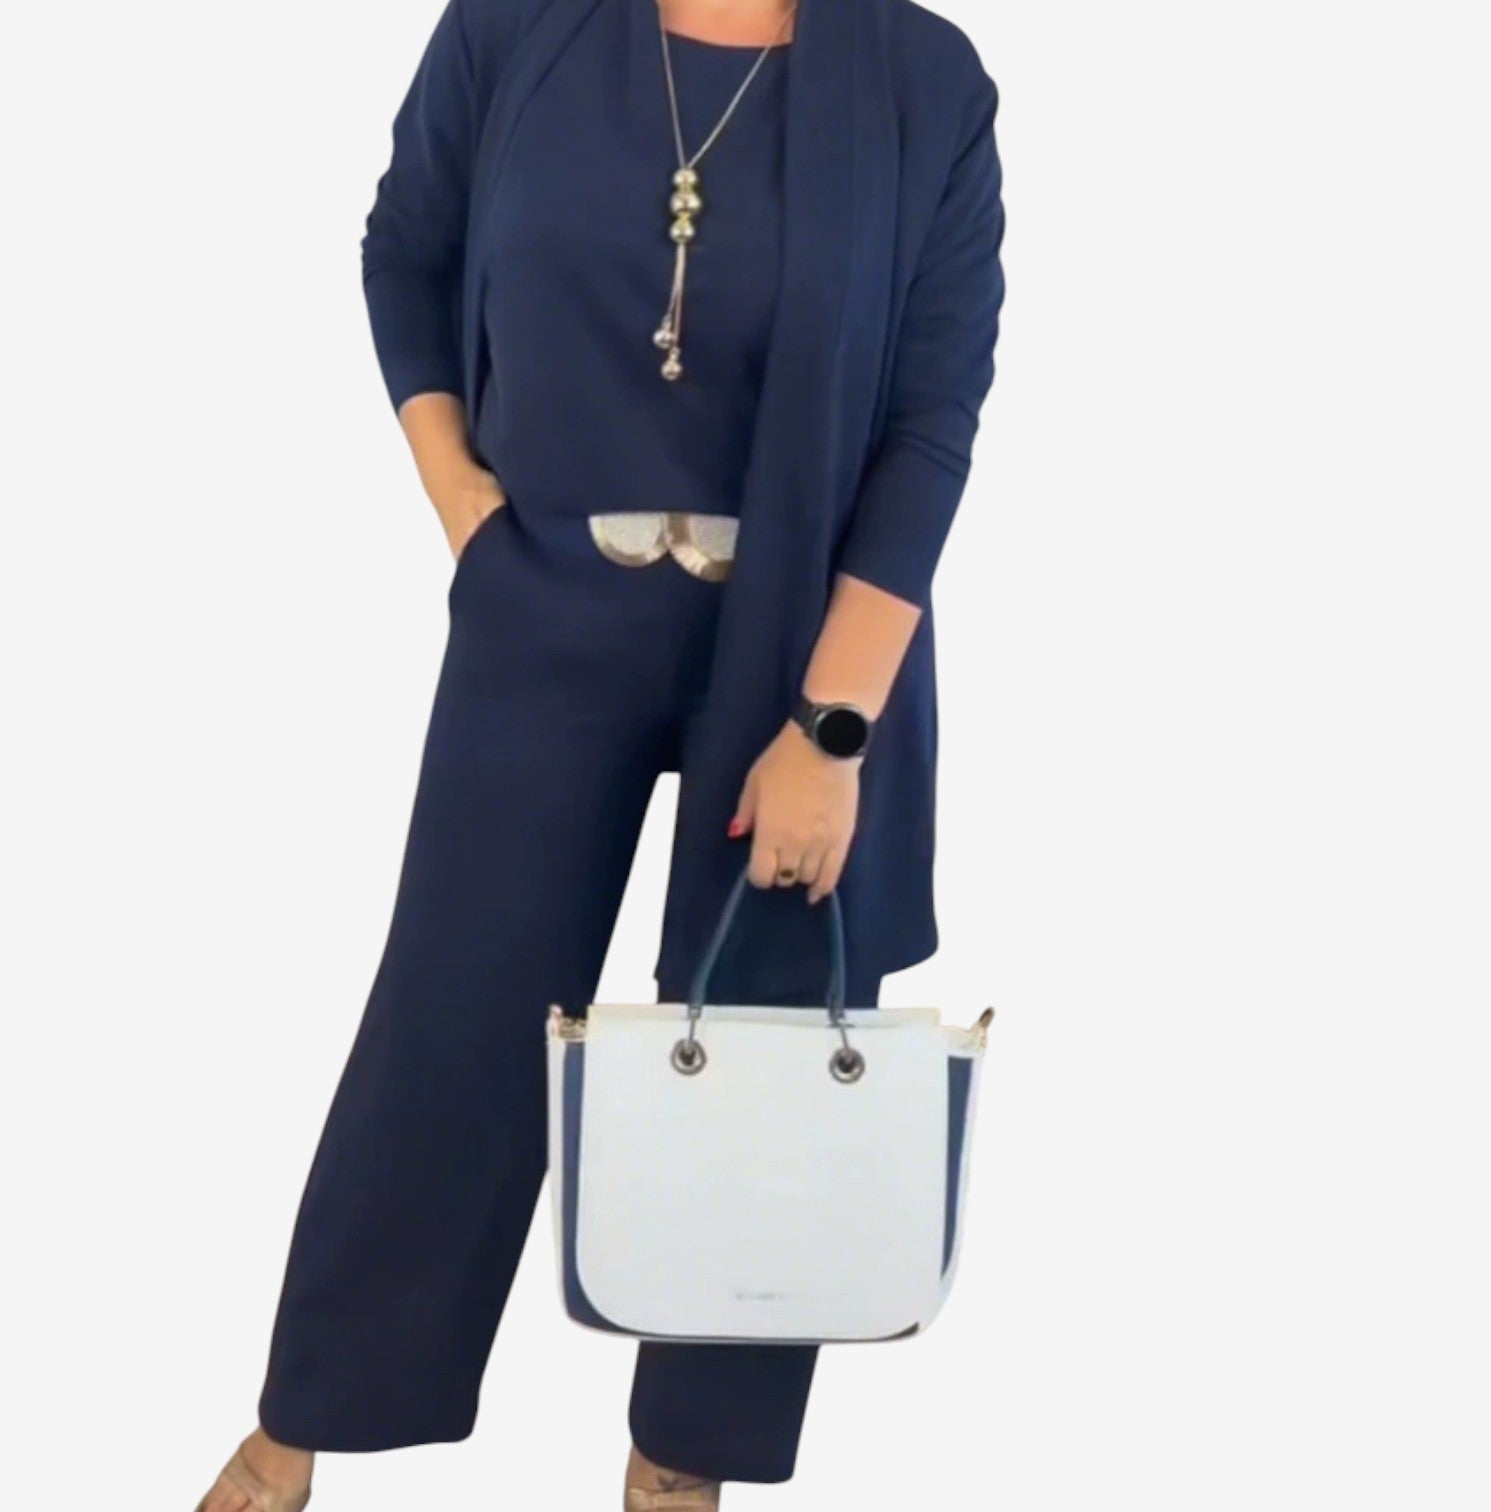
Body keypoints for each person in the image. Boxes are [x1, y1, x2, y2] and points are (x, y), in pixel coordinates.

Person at [195, 0, 1003, 1506]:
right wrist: (461, 504)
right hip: (547, 600)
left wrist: (834, 727)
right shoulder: (517, 23)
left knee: (759, 1044)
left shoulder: (924, 77)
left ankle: (681, 1465)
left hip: (800, 641)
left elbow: (930, 422)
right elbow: (407, 245)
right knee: (452, 1023)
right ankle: (309, 1413)